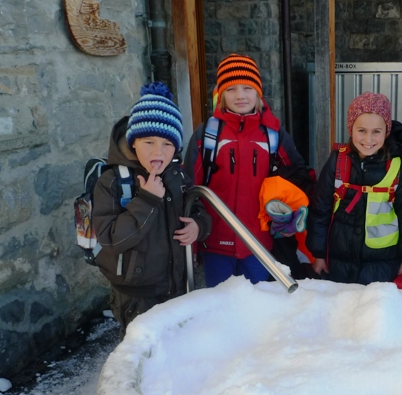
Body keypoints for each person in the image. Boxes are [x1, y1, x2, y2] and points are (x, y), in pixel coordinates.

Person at [92, 82, 212, 337]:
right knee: (144, 349)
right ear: (133, 143)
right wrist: (146, 200)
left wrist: (198, 226)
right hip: (137, 295)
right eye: (149, 142)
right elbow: (111, 239)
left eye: (167, 144)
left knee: (176, 343)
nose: (159, 151)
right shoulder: (113, 182)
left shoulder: (177, 177)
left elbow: (199, 209)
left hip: (176, 283)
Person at [183, 54, 308, 288]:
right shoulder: (207, 134)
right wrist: (194, 241)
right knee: (220, 305)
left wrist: (290, 216)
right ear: (221, 94)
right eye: (231, 89)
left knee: (257, 304)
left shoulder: (272, 134)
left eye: (247, 88)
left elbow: (299, 176)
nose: (240, 95)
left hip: (259, 244)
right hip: (216, 244)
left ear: (258, 92)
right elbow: (189, 187)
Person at [307, 92, 402, 286]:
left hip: (383, 265)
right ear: (351, 129)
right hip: (338, 265)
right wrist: (319, 255)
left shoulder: (398, 168)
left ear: (386, 131)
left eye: (376, 131)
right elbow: (320, 210)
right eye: (362, 130)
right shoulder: (337, 162)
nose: (368, 139)